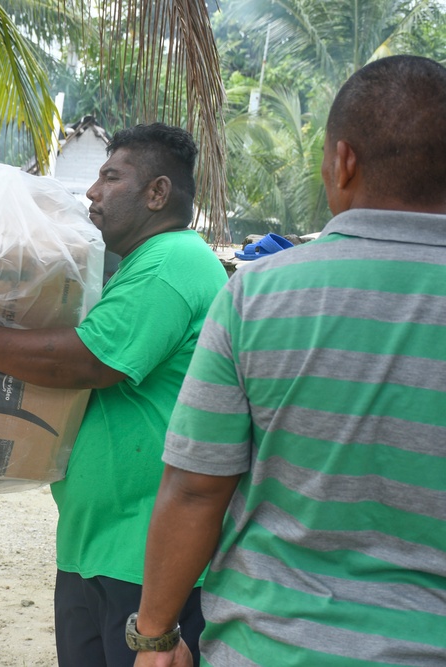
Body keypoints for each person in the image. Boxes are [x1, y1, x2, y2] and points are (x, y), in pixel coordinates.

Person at [131, 55, 446, 667]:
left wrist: (156, 636)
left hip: (269, 647)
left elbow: (196, 489)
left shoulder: (257, 295)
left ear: (342, 161)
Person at [0, 123, 228, 666]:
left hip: (149, 557)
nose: (92, 192)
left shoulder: (173, 264)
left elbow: (88, 361)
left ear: (157, 193)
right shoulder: (134, 267)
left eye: (110, 177)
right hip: (97, 544)